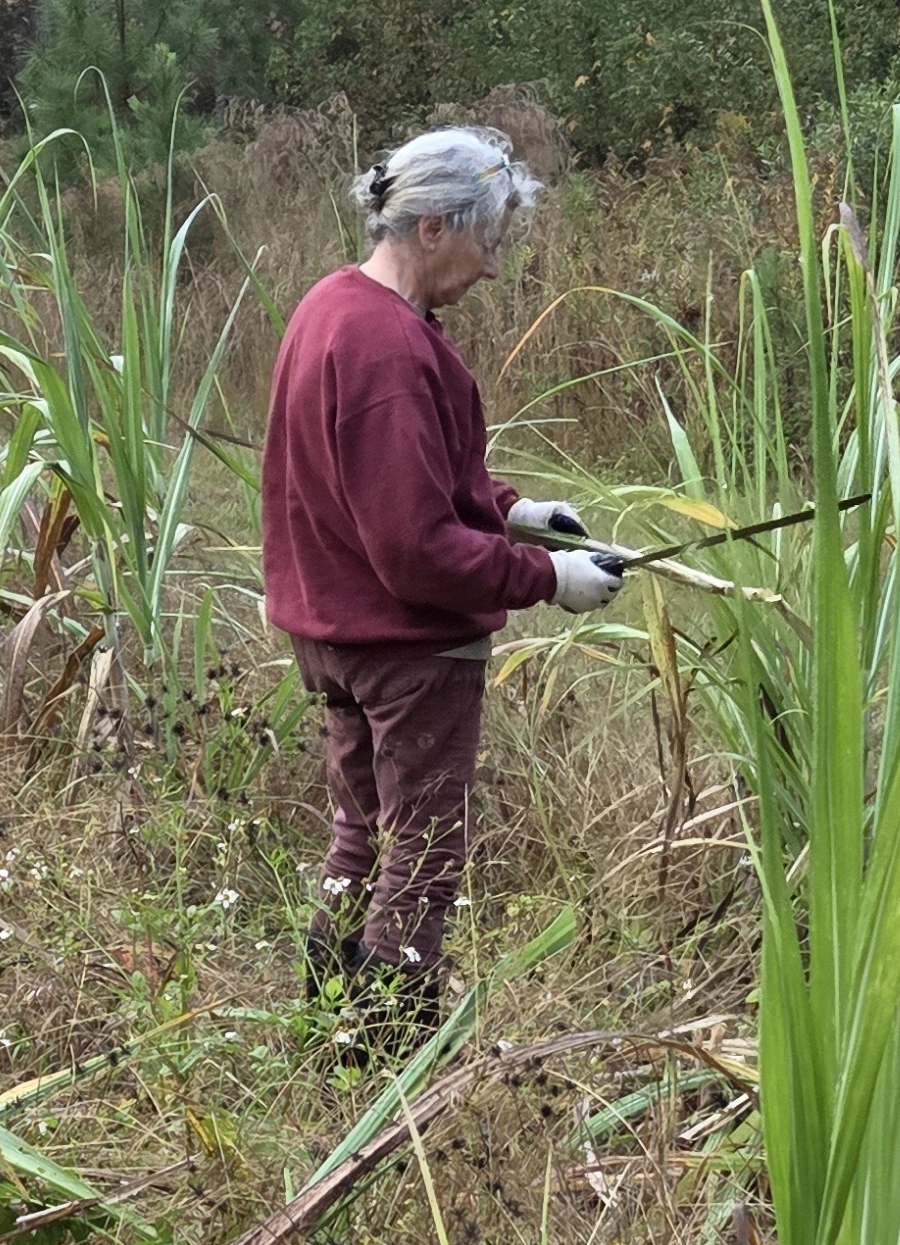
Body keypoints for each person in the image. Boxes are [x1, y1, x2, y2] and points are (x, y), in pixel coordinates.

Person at [260, 125, 626, 1036]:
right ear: (432, 230)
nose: (494, 268)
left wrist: (515, 510)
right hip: (405, 647)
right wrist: (547, 578)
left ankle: (326, 1028)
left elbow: (399, 478)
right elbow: (414, 549)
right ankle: (382, 1069)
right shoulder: (387, 347)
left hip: (336, 633)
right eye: (488, 241)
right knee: (420, 858)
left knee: (363, 836)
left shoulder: (332, 308)